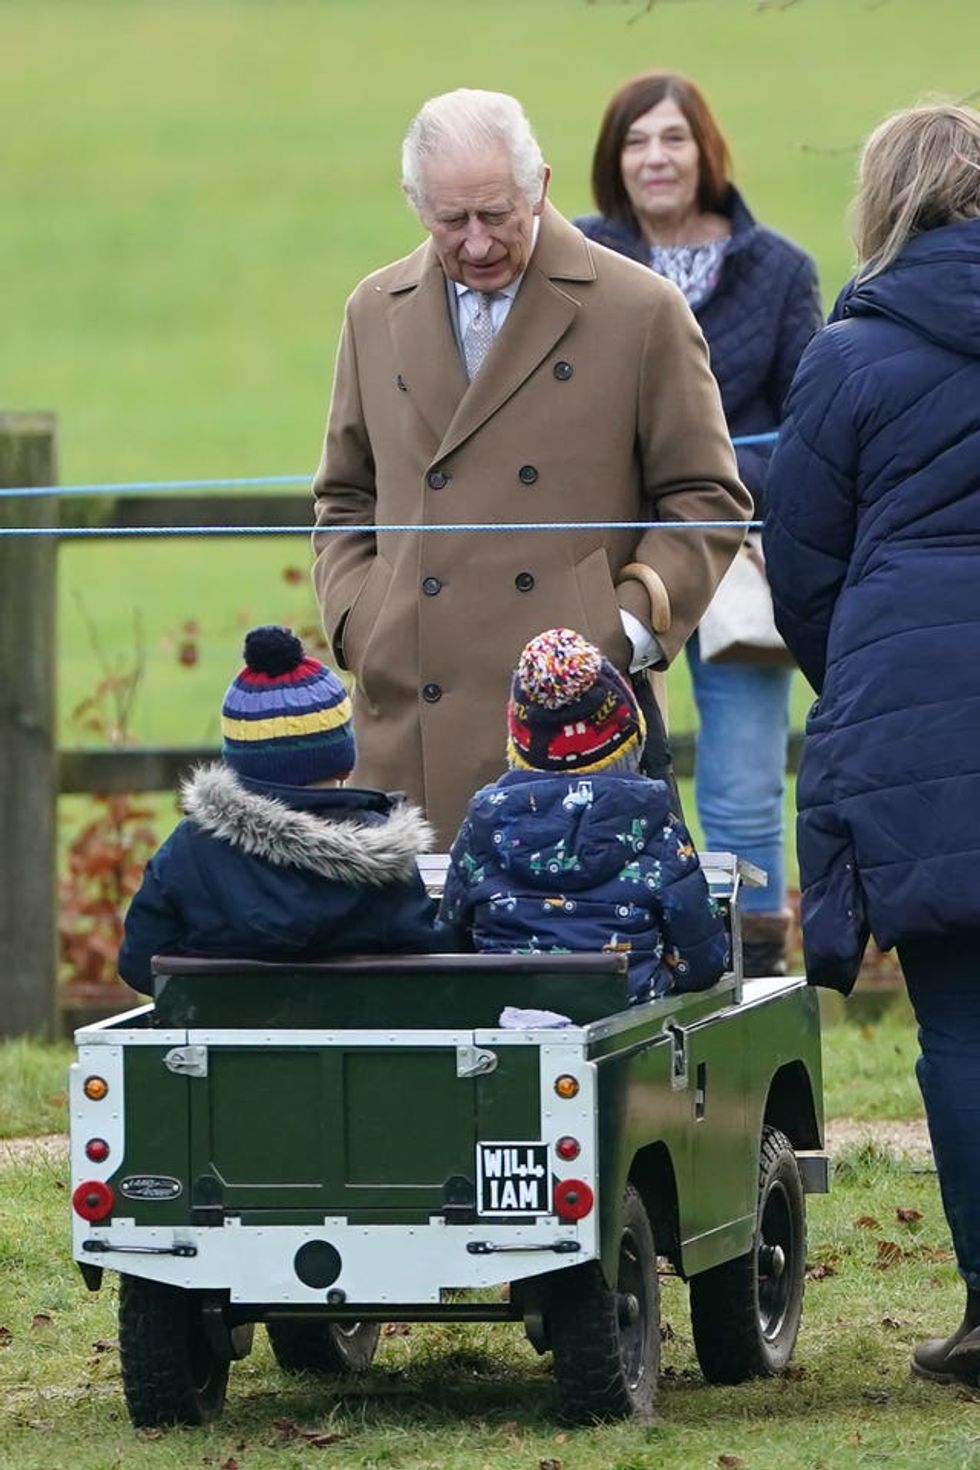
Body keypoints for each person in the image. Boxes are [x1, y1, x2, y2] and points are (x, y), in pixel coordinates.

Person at [311, 87, 752, 851]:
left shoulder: (640, 309)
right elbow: (346, 496)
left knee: (565, 924)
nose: (478, 244)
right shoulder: (373, 310)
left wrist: (620, 631)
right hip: (409, 718)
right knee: (417, 927)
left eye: (496, 215)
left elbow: (706, 496)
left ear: (539, 187)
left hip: (576, 719)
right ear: (415, 202)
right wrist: (363, 620)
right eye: (452, 221)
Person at [763, 103, 980, 1386]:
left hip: (911, 707)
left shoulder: (846, 356)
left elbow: (800, 567)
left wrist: (863, 687)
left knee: (959, 1025)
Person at [574, 73, 823, 977]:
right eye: (637, 140)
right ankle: (616, 962)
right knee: (598, 776)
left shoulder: (782, 271)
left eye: (673, 138)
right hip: (607, 561)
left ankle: (751, 981)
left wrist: (703, 489)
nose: (656, 158)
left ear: (706, 150)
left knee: (745, 787)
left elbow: (809, 430)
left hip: (738, 563)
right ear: (614, 160)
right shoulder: (573, 258)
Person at [118, 626, 439, 993]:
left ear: (238, 762)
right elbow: (426, 960)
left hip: (221, 1028)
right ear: (343, 761)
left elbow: (139, 964)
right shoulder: (385, 855)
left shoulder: (189, 850)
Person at [438, 627, 729, 1002]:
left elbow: (451, 943)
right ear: (630, 739)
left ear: (519, 746)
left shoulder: (480, 829)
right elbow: (702, 962)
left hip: (502, 1017)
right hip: (629, 1020)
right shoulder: (659, 831)